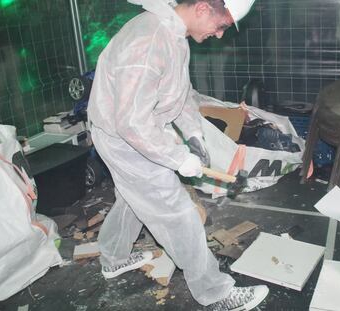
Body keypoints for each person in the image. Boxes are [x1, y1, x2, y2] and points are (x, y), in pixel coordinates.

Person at [87, 0, 269, 310]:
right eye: (222, 25)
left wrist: (193, 135)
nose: (221, 35)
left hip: (136, 132)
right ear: (202, 8)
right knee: (176, 212)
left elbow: (180, 94)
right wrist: (177, 158)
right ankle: (216, 293)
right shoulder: (149, 41)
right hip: (124, 138)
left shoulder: (174, 34)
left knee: (135, 196)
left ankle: (113, 258)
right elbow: (131, 123)